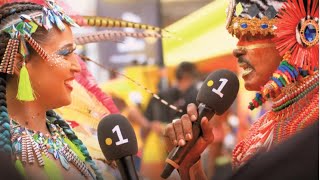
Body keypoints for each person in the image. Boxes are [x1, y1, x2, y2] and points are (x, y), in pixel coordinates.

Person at [164, 0, 319, 179]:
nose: (237, 50)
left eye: (252, 35)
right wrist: (192, 167)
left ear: (301, 38)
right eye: (239, 37)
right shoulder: (259, 131)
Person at [0, 1, 103, 179]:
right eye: (65, 54)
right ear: (20, 63)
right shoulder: (5, 152)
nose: (77, 67)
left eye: (75, 53)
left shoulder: (65, 137)